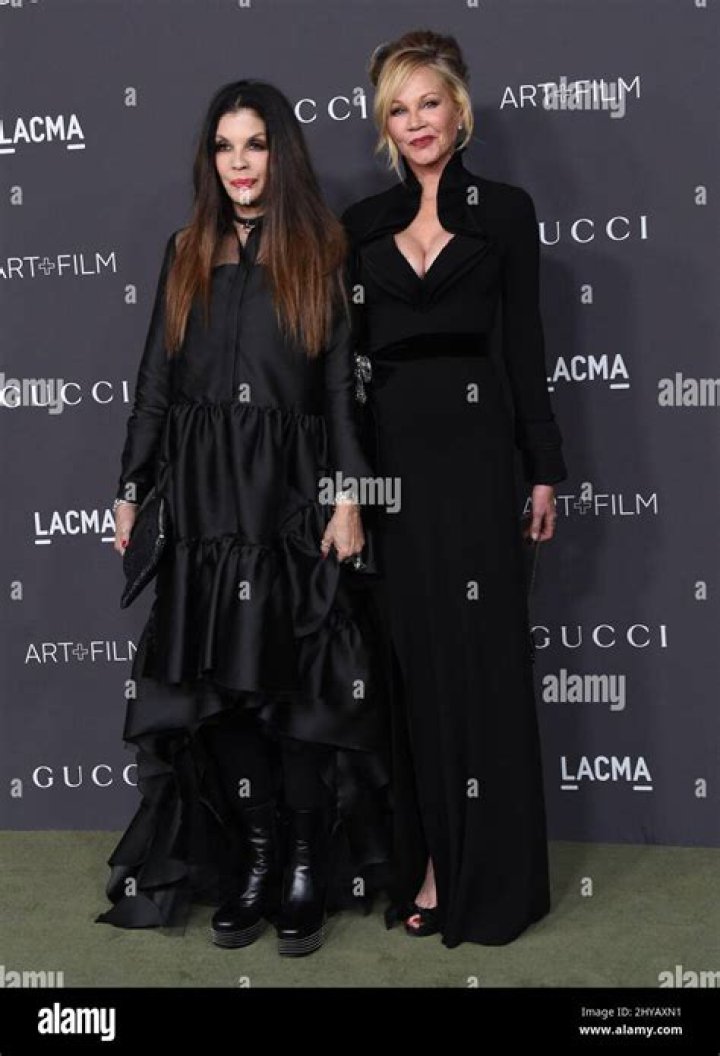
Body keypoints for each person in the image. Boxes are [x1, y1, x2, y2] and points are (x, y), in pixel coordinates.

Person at [96, 80, 390, 957]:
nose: (239, 163)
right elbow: (155, 381)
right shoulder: (187, 248)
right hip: (201, 498)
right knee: (218, 693)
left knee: (291, 691)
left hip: (288, 497)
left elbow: (341, 391)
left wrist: (349, 497)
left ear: (281, 152)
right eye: (224, 147)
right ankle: (256, 862)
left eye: (254, 144)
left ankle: (303, 867)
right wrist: (131, 487)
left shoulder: (322, 251)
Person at [341, 30, 568, 948]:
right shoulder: (360, 224)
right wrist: (347, 490)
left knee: (484, 670)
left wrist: (543, 467)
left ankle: (494, 879)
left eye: (428, 102)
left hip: (478, 464)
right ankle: (433, 863)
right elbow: (341, 374)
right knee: (418, 672)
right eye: (398, 109)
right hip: (394, 472)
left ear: (459, 108)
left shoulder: (505, 212)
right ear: (384, 125)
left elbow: (525, 348)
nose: (416, 122)